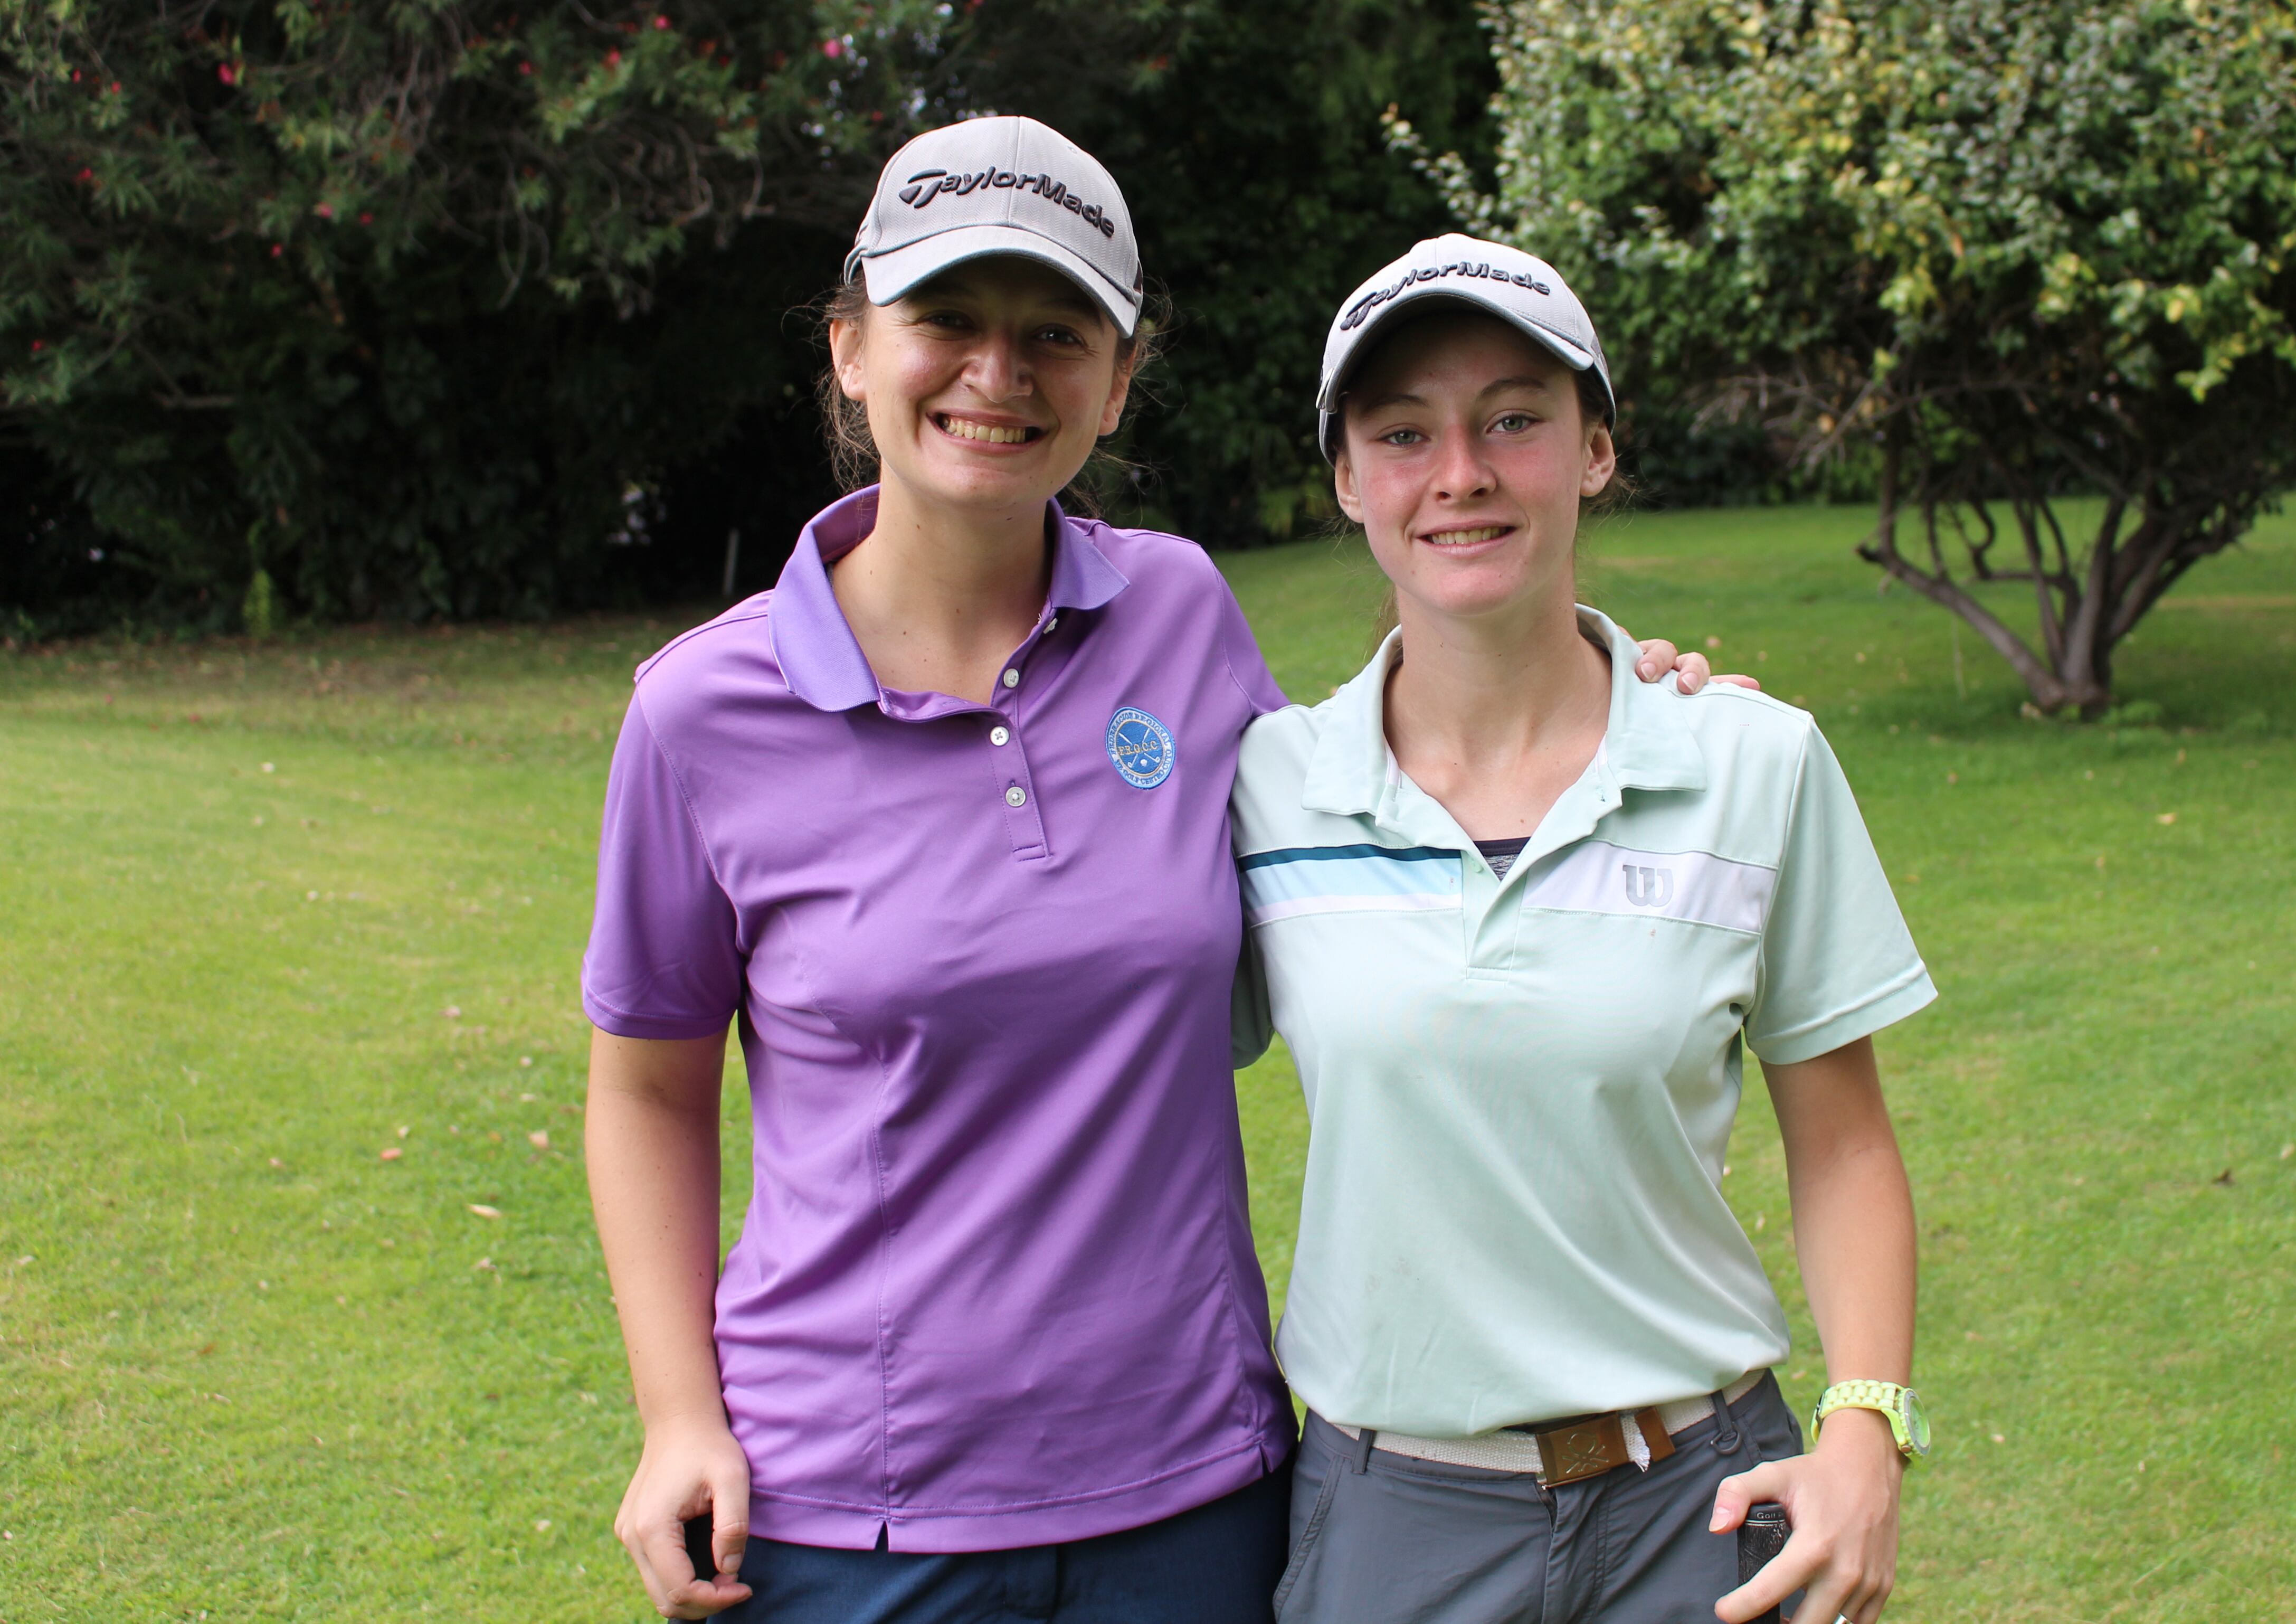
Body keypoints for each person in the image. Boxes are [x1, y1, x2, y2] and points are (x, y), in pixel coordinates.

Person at [579, 124, 1738, 1624]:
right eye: (948, 322)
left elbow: (1386, 804)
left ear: (1118, 381)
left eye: (1055, 333)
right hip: (847, 1516)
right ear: (854, 348)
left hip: (1197, 1494)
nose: (998, 375)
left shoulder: (1180, 616)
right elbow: (647, 1087)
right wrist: (679, 1417)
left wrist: (1611, 693)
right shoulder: (700, 712)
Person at [1230, 234, 1938, 1624]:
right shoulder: (1264, 789)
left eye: (1514, 419)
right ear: (1350, 484)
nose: (1462, 473)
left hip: (1707, 1503)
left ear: (1596, 449)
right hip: (1393, 1520)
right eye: (1403, 433)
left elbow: (1844, 1137)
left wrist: (1865, 1423)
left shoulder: (1755, 765)